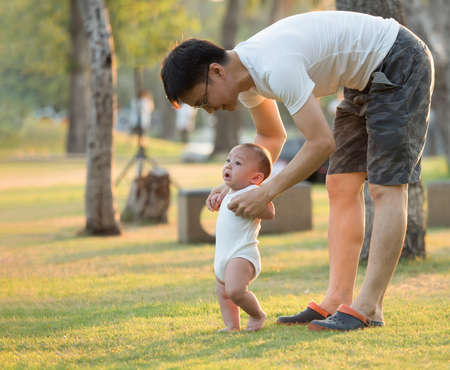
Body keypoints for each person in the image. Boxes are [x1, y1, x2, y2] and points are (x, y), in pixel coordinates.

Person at [161, 10, 434, 331]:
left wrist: (266, 191)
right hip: (362, 79)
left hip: (398, 59)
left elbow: (320, 143)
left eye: (204, 100)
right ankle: (336, 299)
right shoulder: (246, 78)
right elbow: (270, 137)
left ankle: (369, 307)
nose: (210, 110)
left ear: (217, 71)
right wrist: (236, 184)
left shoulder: (274, 67)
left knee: (385, 186)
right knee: (341, 183)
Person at [213, 143, 275, 332]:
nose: (229, 165)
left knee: (235, 291)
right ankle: (232, 326)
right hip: (222, 255)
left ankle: (257, 315)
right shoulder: (228, 192)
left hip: (242, 254)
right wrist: (215, 201)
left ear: (255, 178)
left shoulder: (252, 193)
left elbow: (270, 212)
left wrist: (259, 206)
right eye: (228, 160)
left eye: (238, 163)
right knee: (224, 294)